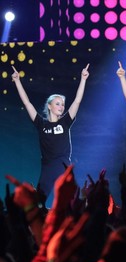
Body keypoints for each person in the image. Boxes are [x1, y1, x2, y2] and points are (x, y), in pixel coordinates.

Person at [11, 64, 90, 208]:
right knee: (38, 203)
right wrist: (17, 81)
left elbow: (77, 101)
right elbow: (27, 102)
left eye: (62, 104)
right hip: (47, 168)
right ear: (49, 106)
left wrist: (83, 79)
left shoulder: (66, 121)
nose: (61, 107)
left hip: (63, 166)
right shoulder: (41, 123)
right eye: (58, 104)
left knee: (71, 203)